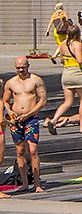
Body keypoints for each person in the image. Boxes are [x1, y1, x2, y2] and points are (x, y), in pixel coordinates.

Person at [5, 57, 48, 191]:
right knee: (20, 151)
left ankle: (37, 183)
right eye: (18, 68)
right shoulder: (11, 82)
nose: (21, 70)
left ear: (28, 66)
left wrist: (28, 114)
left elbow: (43, 101)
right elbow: (5, 101)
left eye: (23, 67)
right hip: (16, 120)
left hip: (31, 118)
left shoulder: (36, 80)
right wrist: (10, 112)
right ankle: (24, 183)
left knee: (33, 150)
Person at [48, 25, 82, 133]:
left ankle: (54, 120)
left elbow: (62, 60)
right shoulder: (77, 44)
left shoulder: (62, 44)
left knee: (67, 102)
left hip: (66, 73)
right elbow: (80, 60)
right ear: (78, 34)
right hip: (77, 73)